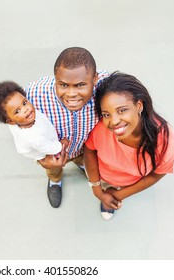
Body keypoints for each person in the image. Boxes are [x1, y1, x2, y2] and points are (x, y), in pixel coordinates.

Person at [84, 72, 174, 220]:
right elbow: (89, 150)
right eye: (106, 114)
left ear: (139, 105)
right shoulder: (101, 128)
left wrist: (118, 195)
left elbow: (157, 173)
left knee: (109, 200)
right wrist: (97, 189)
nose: (113, 121)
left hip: (130, 183)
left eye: (122, 110)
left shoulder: (165, 141)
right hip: (102, 177)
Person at [25, 47, 108, 208]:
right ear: (55, 78)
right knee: (54, 170)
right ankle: (55, 182)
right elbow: (20, 129)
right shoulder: (33, 95)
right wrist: (41, 159)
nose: (71, 94)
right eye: (63, 85)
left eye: (80, 85)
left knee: (84, 159)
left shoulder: (108, 86)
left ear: (95, 79)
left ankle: (82, 164)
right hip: (54, 153)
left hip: (86, 148)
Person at [0, 81, 69, 162]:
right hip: (42, 151)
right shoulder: (32, 137)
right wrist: (61, 145)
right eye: (17, 111)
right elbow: (48, 147)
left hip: (42, 138)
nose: (25, 109)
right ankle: (54, 176)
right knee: (53, 167)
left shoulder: (19, 118)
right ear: (11, 122)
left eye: (24, 103)